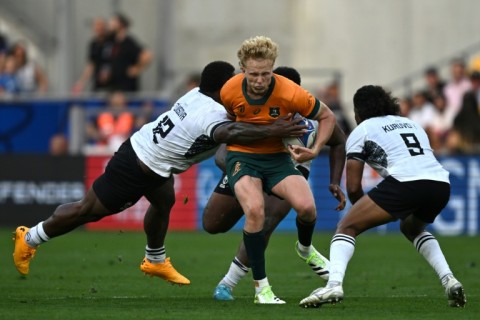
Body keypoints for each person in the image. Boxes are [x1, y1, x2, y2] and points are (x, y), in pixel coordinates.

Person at [13, 61, 308, 286]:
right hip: (137, 166)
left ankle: (154, 259)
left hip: (155, 163)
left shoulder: (197, 95)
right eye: (233, 82)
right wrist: (274, 129)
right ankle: (30, 238)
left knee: (164, 201)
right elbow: (229, 130)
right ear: (222, 88)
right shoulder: (211, 113)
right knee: (86, 210)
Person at [299, 85, 467, 308]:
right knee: (412, 228)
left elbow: (352, 187)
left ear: (358, 111)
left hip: (406, 183)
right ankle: (449, 280)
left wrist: (366, 209)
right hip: (440, 184)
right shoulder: (411, 123)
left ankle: (333, 285)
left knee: (346, 227)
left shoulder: (364, 129)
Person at [203, 66, 346, 301]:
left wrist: (334, 181)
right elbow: (221, 154)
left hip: (286, 170)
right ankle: (303, 252)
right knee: (212, 223)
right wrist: (245, 176)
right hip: (244, 167)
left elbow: (339, 141)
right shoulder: (250, 112)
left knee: (265, 219)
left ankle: (229, 283)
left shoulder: (309, 118)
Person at [104, 13, 152, 92]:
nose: (110, 24)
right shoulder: (112, 42)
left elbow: (147, 55)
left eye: (113, 21)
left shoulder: (129, 43)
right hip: (113, 87)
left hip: (126, 89)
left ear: (121, 24)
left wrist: (137, 68)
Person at [72, 17, 110, 93]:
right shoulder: (93, 44)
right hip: (98, 83)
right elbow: (91, 65)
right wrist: (81, 82)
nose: (98, 28)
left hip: (114, 85)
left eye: (100, 25)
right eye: (96, 25)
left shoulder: (112, 42)